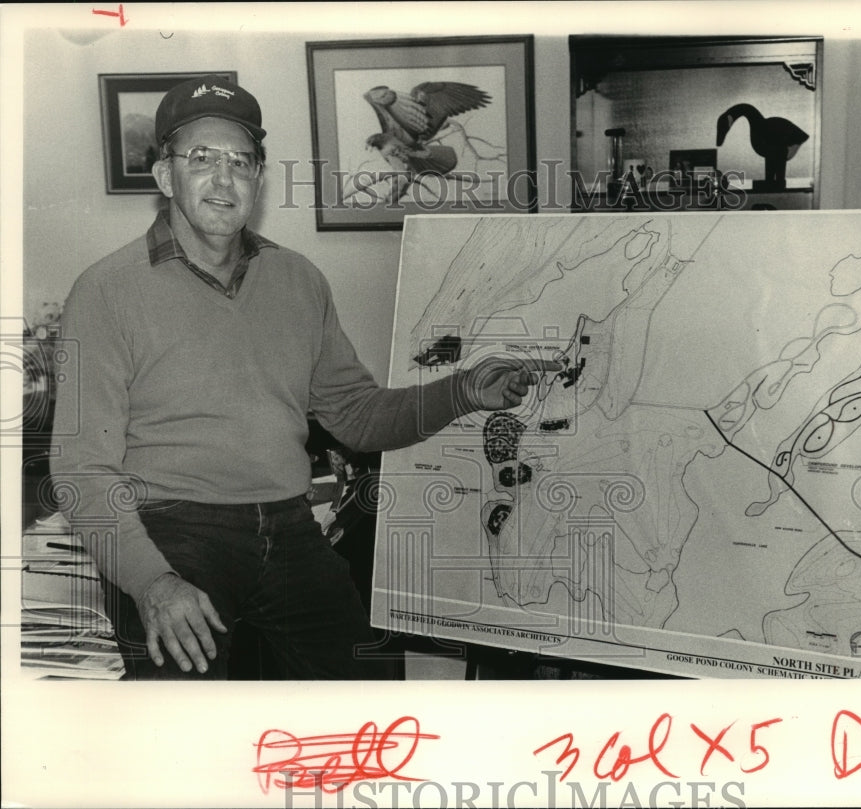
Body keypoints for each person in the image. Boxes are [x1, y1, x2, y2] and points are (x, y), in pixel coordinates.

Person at [51, 75, 557, 680]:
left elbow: (358, 417)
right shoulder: (105, 290)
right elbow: (81, 469)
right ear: (165, 177)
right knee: (181, 732)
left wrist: (464, 389)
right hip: (171, 528)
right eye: (201, 158)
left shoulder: (299, 281)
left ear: (259, 181)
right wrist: (151, 581)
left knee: (370, 695)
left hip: (289, 526)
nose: (223, 177)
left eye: (241, 161)